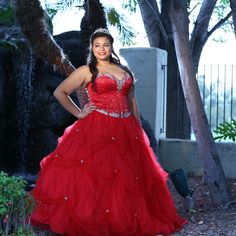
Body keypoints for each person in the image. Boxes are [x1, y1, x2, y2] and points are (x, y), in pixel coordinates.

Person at [31, 28, 187, 236]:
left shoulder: (123, 69)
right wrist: (79, 113)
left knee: (127, 178)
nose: (101, 49)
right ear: (92, 48)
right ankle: (97, 221)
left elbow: (131, 100)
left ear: (111, 46)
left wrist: (138, 127)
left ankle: (122, 220)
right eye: (97, 46)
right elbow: (61, 92)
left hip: (126, 127)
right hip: (97, 126)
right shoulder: (87, 71)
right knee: (98, 176)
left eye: (105, 44)